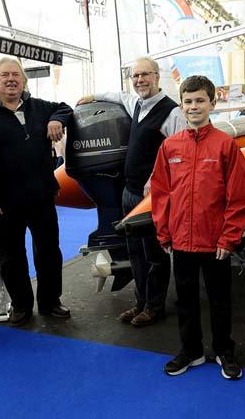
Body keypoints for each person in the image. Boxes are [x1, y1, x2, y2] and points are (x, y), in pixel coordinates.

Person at [150, 75, 245, 379]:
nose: (194, 106)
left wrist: (229, 237)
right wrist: (163, 231)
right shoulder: (169, 147)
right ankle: (191, 350)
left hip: (215, 241)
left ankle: (224, 350)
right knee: (185, 298)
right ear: (181, 106)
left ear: (212, 103)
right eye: (188, 101)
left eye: (200, 100)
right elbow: (161, 192)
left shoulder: (225, 146)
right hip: (181, 240)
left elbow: (238, 196)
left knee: (219, 298)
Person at [77, 57, 186, 326]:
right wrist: (91, 95)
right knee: (135, 252)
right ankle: (140, 302)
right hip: (130, 192)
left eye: (145, 75)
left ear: (157, 77)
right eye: (136, 76)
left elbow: (180, 154)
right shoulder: (136, 103)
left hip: (153, 196)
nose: (140, 80)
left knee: (154, 255)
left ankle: (154, 306)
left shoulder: (172, 113)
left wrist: (157, 182)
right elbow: (116, 95)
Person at [0, 57, 73, 326]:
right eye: (4, 75)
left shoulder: (39, 107)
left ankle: (51, 302)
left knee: (49, 252)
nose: (11, 79)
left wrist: (56, 120)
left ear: (24, 80)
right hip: (3, 204)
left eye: (16, 74)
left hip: (41, 197)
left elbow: (65, 107)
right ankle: (21, 305)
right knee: (12, 257)